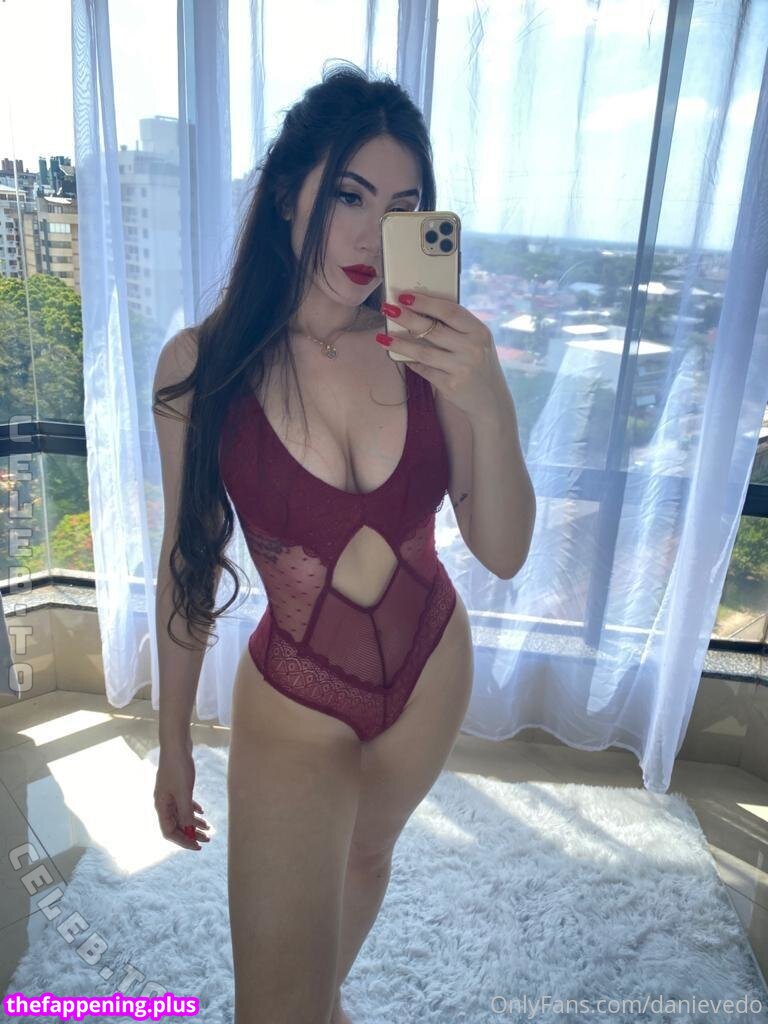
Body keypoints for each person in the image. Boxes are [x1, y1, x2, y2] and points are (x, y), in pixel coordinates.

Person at [151, 61, 500, 1024]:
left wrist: (487, 389)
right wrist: (171, 743)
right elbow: (187, 567)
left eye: (401, 209)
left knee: (367, 855)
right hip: (297, 695)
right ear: (285, 194)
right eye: (348, 194)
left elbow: (502, 546)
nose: (369, 236)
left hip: (431, 671)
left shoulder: (424, 349)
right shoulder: (202, 367)